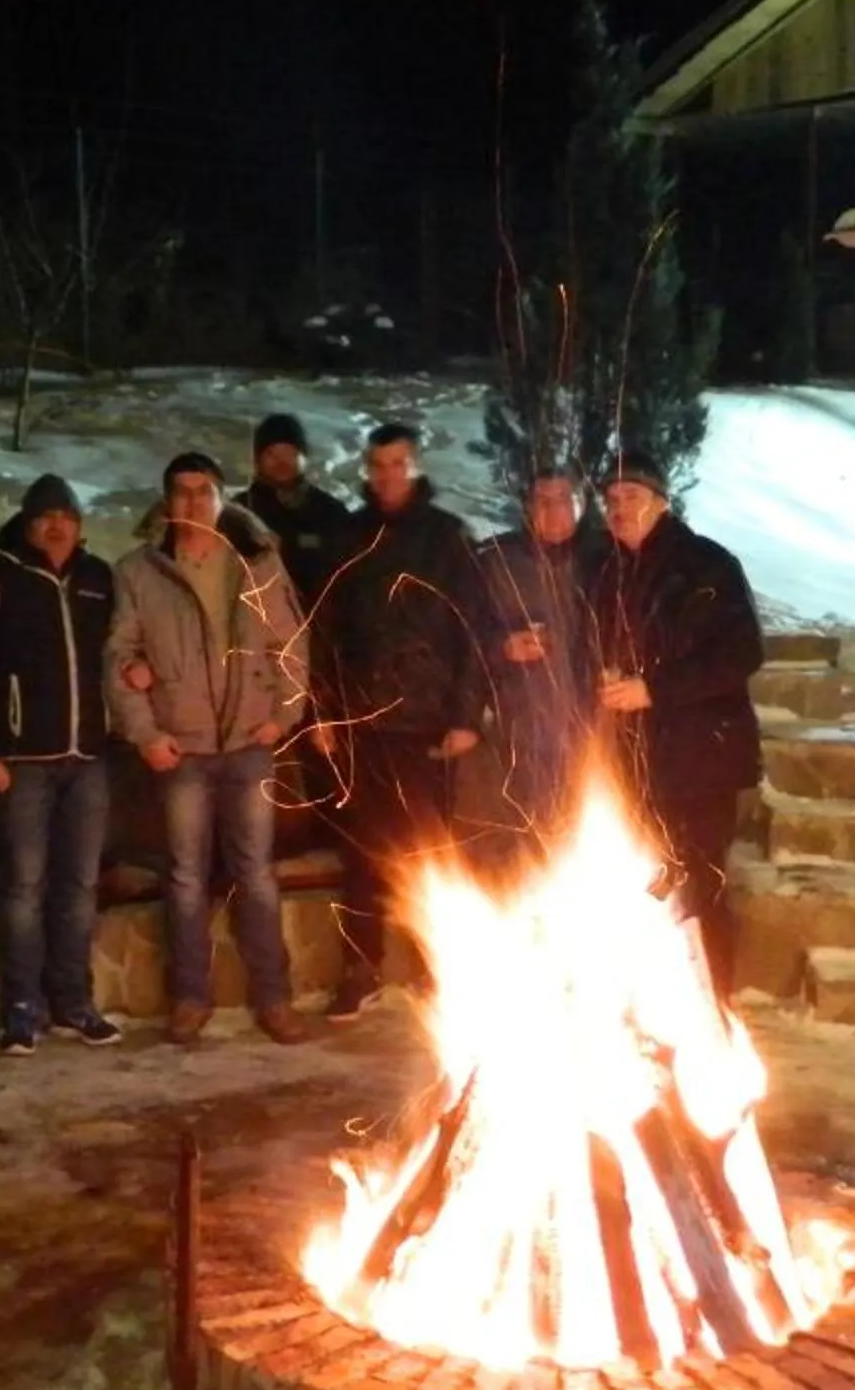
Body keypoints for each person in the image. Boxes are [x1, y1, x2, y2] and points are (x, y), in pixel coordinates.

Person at [106, 451, 315, 1046]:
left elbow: (291, 644)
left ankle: (274, 998)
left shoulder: (257, 562)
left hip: (250, 741)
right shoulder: (140, 572)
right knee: (185, 877)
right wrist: (146, 734)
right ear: (167, 501)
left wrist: (284, 714)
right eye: (182, 492)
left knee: (257, 875)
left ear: (222, 500)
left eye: (205, 492)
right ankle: (189, 998)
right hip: (184, 749)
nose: (194, 503)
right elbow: (120, 658)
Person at [0, 473, 123, 1057]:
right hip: (21, 762)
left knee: (80, 886)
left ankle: (74, 1000)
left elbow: (121, 649)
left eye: (66, 516)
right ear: (27, 524)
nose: (56, 526)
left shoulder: (98, 579)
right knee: (22, 887)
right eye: (45, 517)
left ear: (80, 524)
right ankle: (22, 1008)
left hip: (87, 756)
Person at [314, 422, 485, 1020]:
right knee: (362, 856)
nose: (388, 475)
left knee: (431, 851)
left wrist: (466, 716)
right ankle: (360, 969)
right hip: (362, 724)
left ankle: (442, 966)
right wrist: (324, 712)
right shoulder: (348, 536)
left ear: (417, 467)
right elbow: (324, 631)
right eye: (378, 464)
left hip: (428, 724)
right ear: (367, 469)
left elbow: (473, 631)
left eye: (398, 463)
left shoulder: (448, 537)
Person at [589, 451, 766, 1001]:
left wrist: (654, 689)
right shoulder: (611, 572)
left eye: (632, 497)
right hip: (636, 761)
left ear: (662, 503)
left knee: (699, 886)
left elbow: (742, 653)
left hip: (700, 761)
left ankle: (712, 1006)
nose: (619, 509)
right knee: (643, 881)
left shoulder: (707, 566)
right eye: (611, 500)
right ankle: (655, 1004)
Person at [475, 466, 603, 850]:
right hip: (524, 726)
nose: (553, 509)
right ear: (528, 507)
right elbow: (464, 636)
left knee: (591, 828)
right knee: (530, 832)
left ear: (580, 504)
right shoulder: (497, 560)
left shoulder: (606, 559)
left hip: (596, 727)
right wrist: (503, 647)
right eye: (542, 501)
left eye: (563, 499)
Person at [238, 412, 353, 611]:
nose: (281, 462)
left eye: (290, 454)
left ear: (304, 458)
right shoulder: (239, 514)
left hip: (317, 620)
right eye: (272, 455)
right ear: (257, 460)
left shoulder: (332, 512)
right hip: (256, 619)